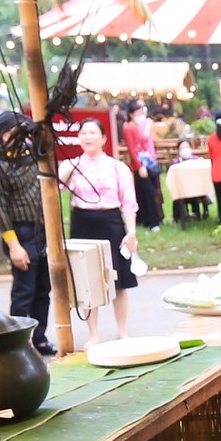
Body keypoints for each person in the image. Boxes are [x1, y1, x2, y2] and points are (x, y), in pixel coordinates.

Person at [58, 119, 139, 343]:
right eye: (83, 133)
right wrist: (71, 169)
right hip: (82, 222)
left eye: (93, 133)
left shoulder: (116, 167)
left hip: (111, 222)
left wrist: (131, 232)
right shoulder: (71, 165)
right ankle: (93, 334)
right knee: (87, 282)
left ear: (103, 138)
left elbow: (129, 202)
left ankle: (122, 331)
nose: (88, 137)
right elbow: (58, 187)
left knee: (119, 280)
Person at [0, 110, 56, 355]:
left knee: (44, 288)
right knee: (24, 291)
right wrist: (14, 246)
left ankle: (39, 338)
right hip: (21, 233)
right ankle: (18, 343)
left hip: (44, 229)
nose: (17, 137)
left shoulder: (35, 157)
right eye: (10, 133)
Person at [124, 100, 164, 230]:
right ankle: (153, 222)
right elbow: (134, 146)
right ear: (131, 114)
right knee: (148, 193)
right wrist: (140, 165)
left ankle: (145, 219)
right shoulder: (130, 127)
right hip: (141, 164)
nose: (141, 115)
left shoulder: (137, 125)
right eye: (138, 112)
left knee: (145, 192)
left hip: (148, 161)